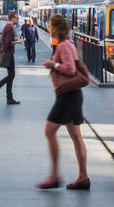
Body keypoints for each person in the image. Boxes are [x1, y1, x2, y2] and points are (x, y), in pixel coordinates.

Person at [37, 14, 88, 190]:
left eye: (51, 26)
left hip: (67, 97)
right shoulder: (68, 45)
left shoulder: (65, 46)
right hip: (73, 95)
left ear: (57, 28)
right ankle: (83, 177)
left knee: (49, 131)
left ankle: (54, 175)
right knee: (76, 137)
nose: (49, 29)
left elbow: (70, 69)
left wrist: (53, 65)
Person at [0, 11, 20, 104]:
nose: (17, 20)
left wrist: (14, 40)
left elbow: (8, 40)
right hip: (8, 54)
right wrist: (16, 42)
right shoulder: (10, 28)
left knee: (11, 75)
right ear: (12, 18)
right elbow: (7, 43)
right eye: (16, 18)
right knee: (11, 75)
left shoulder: (7, 27)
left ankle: (9, 98)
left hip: (8, 54)